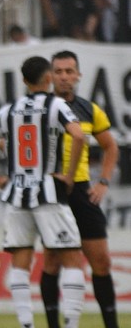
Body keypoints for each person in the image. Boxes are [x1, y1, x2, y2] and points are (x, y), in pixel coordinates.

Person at [0, 56, 86, 328]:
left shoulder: (9, 109)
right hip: (47, 191)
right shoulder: (56, 105)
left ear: (24, 81)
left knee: (21, 262)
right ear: (49, 78)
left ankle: (26, 325)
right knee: (71, 259)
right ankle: (70, 325)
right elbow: (79, 136)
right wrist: (68, 176)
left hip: (16, 194)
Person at [40, 51, 120, 328]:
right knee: (52, 261)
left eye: (69, 71)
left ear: (78, 75)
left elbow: (111, 146)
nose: (64, 77)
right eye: (59, 72)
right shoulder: (41, 107)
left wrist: (104, 181)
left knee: (101, 262)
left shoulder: (89, 109)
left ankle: (112, 324)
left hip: (82, 190)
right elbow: (9, 141)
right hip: (51, 191)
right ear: (50, 76)